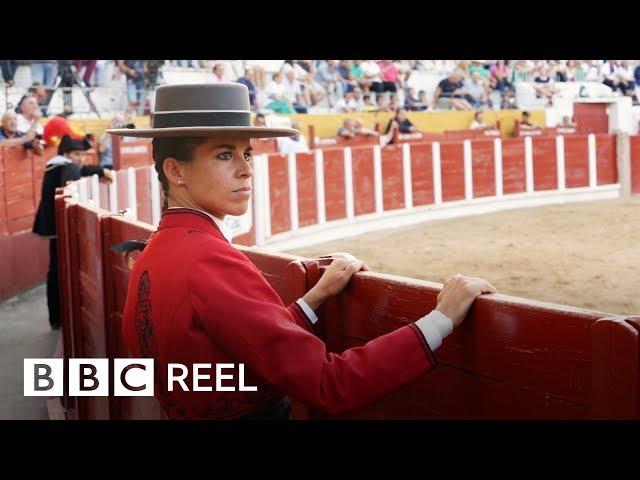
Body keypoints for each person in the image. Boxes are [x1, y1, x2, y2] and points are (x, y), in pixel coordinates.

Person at [106, 83, 496, 420]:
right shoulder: (209, 258)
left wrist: (315, 297)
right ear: (176, 171)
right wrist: (441, 318)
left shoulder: (155, 250)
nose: (245, 169)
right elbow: (329, 383)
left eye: (247, 154)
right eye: (224, 155)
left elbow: (239, 349)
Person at [32, 135, 115, 329]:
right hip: (56, 227)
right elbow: (75, 171)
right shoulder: (63, 166)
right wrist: (100, 169)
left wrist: (98, 170)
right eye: (77, 154)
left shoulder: (60, 165)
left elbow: (79, 169)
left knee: (57, 270)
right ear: (66, 154)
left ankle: (57, 317)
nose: (80, 158)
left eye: (83, 154)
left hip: (55, 225)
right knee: (57, 271)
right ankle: (57, 318)